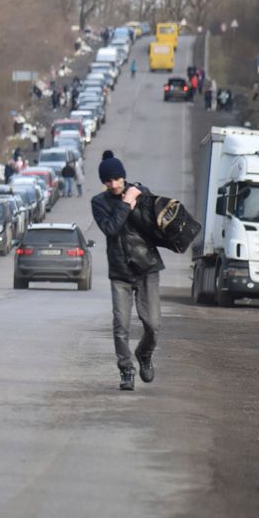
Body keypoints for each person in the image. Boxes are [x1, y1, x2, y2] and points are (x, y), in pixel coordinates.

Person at [90, 151, 164, 391]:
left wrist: (136, 198)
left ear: (123, 176)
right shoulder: (99, 203)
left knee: (152, 324)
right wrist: (125, 203)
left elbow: (154, 224)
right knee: (121, 326)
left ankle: (144, 354)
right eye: (108, 181)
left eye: (116, 179)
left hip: (147, 268)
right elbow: (111, 229)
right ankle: (126, 370)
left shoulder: (142, 193)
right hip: (120, 271)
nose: (113, 184)